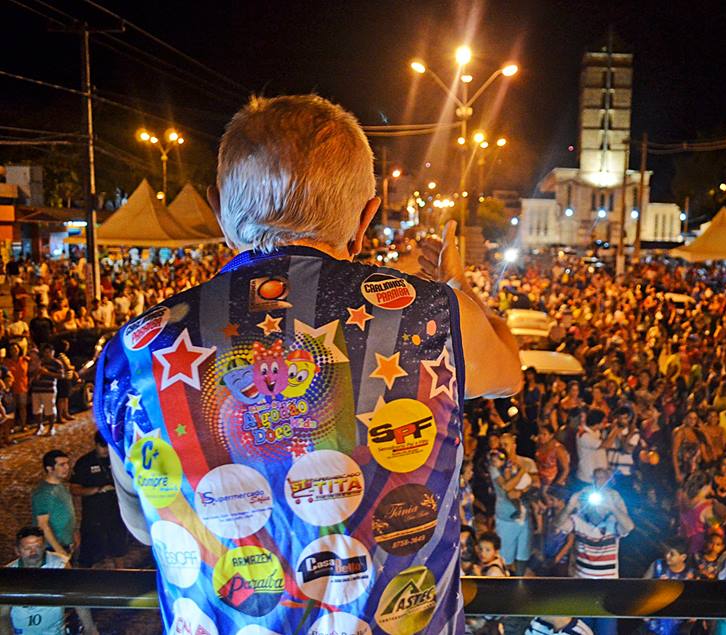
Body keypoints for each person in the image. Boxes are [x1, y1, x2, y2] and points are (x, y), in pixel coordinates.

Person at [93, 95, 522, 634]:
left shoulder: (132, 349)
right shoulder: (433, 314)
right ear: (366, 217)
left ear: (218, 208)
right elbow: (508, 373)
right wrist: (459, 287)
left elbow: (143, 524)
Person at [0, 526, 99, 635]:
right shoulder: (9, 573)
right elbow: (3, 614)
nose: (33, 552)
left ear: (44, 547)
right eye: (27, 548)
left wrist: (89, 628)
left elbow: (76, 597)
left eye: (37, 547)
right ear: (17, 550)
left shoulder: (60, 565)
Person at [70, 432, 126, 568]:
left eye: (108, 447)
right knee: (89, 550)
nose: (106, 450)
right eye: (102, 446)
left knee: (119, 548)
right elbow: (74, 489)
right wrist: (97, 490)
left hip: (116, 513)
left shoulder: (117, 458)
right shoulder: (84, 462)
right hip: (94, 515)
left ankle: (122, 575)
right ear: (95, 445)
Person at [31, 450, 76, 559]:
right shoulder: (44, 493)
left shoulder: (60, 486)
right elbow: (42, 524)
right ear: (49, 468)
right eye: (62, 465)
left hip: (64, 544)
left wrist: (73, 535)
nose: (67, 467)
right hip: (52, 548)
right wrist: (59, 550)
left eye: (67, 463)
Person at [30, 343, 62, 436]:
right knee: (36, 410)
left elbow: (61, 375)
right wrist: (36, 372)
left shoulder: (57, 363)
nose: (47, 354)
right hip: (36, 389)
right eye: (46, 352)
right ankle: (39, 427)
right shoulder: (39, 362)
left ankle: (51, 428)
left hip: (49, 389)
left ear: (53, 352)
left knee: (50, 410)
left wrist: (47, 373)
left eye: (49, 352)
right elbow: (30, 374)